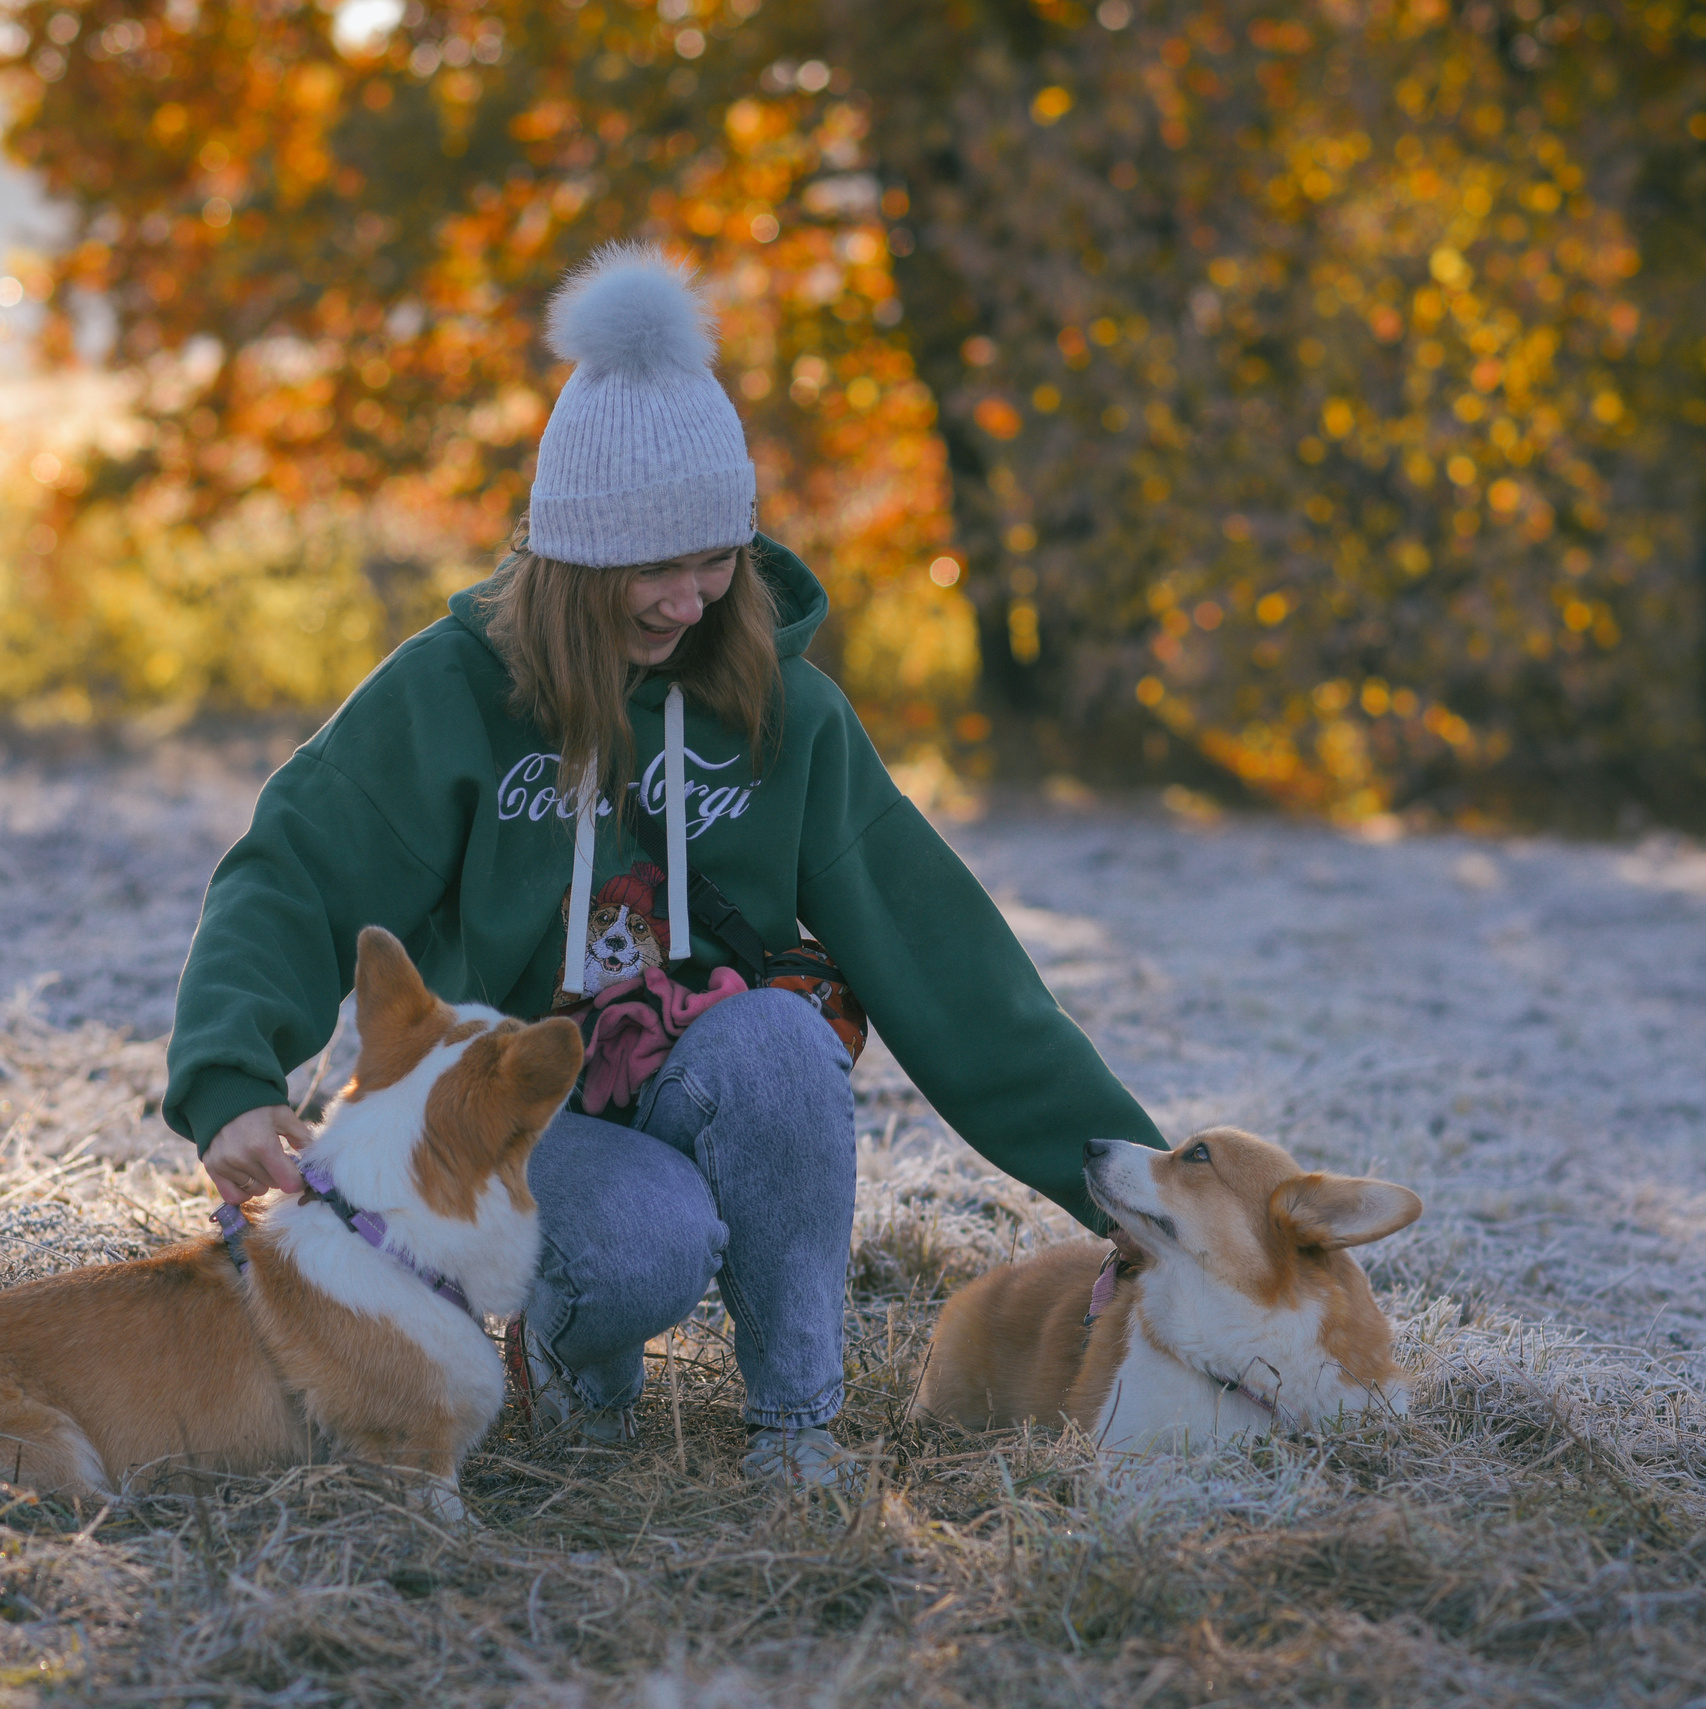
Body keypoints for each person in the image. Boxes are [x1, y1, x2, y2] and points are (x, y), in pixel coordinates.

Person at [165, 245, 1166, 1487]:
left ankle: (796, 1426)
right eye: (648, 565)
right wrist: (229, 1077)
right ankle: (581, 1370)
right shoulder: (452, 692)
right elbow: (291, 870)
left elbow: (948, 957)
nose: (688, 599)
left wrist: (1140, 1192)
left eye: (715, 560)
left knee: (784, 1042)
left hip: (696, 1068)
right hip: (518, 1112)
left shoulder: (783, 713)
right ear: (568, 563)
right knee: (646, 1239)